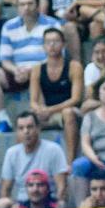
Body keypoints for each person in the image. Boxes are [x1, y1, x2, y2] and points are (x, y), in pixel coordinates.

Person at [0, 0, 58, 132]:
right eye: (22, 4)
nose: (26, 8)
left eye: (30, 4)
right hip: (18, 72)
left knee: (36, 74)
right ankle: (4, 120)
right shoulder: (8, 26)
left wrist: (31, 70)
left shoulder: (51, 24)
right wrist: (15, 70)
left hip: (42, 71)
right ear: (17, 7)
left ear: (37, 5)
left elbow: (57, 56)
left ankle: (39, 120)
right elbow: (5, 60)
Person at [28, 27, 83, 162]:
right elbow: (33, 101)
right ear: (43, 46)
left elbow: (76, 98)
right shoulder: (37, 69)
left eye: (56, 41)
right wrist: (39, 110)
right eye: (48, 42)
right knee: (26, 119)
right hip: (48, 113)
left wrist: (50, 110)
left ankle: (70, 162)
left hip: (68, 111)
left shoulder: (74, 66)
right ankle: (26, 159)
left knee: (68, 113)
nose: (52, 46)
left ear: (63, 44)